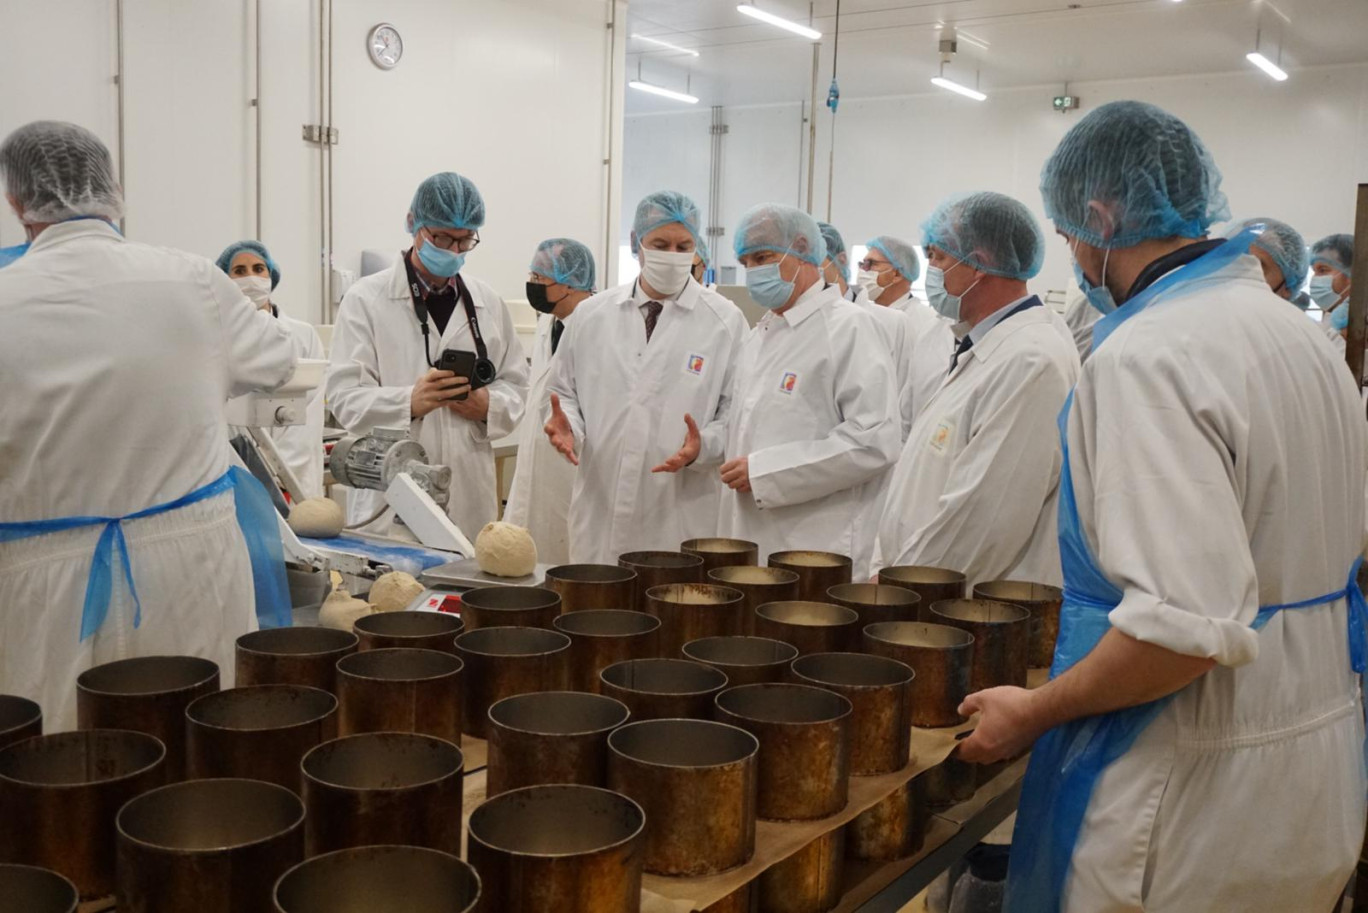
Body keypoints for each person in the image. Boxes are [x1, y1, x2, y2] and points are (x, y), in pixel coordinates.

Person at [958, 101, 1367, 913]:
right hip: (1316, 776)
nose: (1074, 254)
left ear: (1104, 217)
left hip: (1189, 801)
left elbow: (1179, 634)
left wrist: (1034, 712)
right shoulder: (1303, 341)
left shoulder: (1152, 353)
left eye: (1073, 232)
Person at [0, 121, 297, 729]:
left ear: (15, 202)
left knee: (57, 760)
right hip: (189, 564)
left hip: (42, 579)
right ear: (114, 189)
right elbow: (280, 360)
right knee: (197, 741)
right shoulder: (191, 280)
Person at [873, 191, 1079, 588]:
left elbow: (985, 518)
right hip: (922, 589)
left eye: (939, 258)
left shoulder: (1029, 361)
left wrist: (904, 587)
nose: (931, 271)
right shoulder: (983, 345)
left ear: (979, 265)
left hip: (957, 603)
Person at [545, 191, 748, 563]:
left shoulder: (725, 322)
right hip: (600, 507)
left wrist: (702, 446)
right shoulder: (592, 315)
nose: (672, 254)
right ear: (638, 244)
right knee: (596, 613)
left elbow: (737, 413)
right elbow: (564, 392)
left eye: (683, 245)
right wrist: (568, 426)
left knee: (672, 612)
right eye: (660, 244)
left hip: (680, 514)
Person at [326, 172, 529, 540]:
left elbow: (517, 386)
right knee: (392, 593)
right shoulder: (365, 300)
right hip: (390, 492)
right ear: (412, 224)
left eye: (464, 240)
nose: (453, 251)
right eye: (441, 238)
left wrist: (487, 406)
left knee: (467, 590)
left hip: (467, 490)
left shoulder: (487, 303)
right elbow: (344, 399)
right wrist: (410, 401)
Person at [717, 203, 899, 569]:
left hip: (818, 543)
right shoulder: (761, 335)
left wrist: (767, 471)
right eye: (746, 261)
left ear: (802, 249)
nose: (753, 271)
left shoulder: (849, 329)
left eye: (762, 257)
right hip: (753, 535)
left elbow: (874, 441)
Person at [503, 238, 596, 565]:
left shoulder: (599, 328)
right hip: (536, 471)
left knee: (568, 567)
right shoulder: (548, 323)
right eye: (532, 275)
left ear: (570, 283)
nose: (532, 285)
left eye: (540, 279)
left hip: (573, 477)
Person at [216, 240, 327, 500]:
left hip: (294, 474)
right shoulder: (217, 337)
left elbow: (310, 412)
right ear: (225, 279)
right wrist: (254, 466)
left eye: (258, 268)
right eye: (240, 272)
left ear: (271, 275)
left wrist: (281, 469)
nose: (251, 277)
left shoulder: (303, 335)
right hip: (237, 469)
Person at [818, 221, 953, 433]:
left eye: (871, 265)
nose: (863, 271)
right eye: (862, 264)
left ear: (898, 274)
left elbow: (913, 391)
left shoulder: (925, 321)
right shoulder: (857, 314)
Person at [1236, 217, 1311, 307]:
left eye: (1257, 266)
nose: (1237, 274)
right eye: (1233, 263)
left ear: (1287, 288)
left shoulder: (1293, 321)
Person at [1310, 232, 1355, 348]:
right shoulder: (1331, 320)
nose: (1315, 278)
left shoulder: (1358, 324)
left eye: (1323, 270)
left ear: (1352, 274)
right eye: (1314, 271)